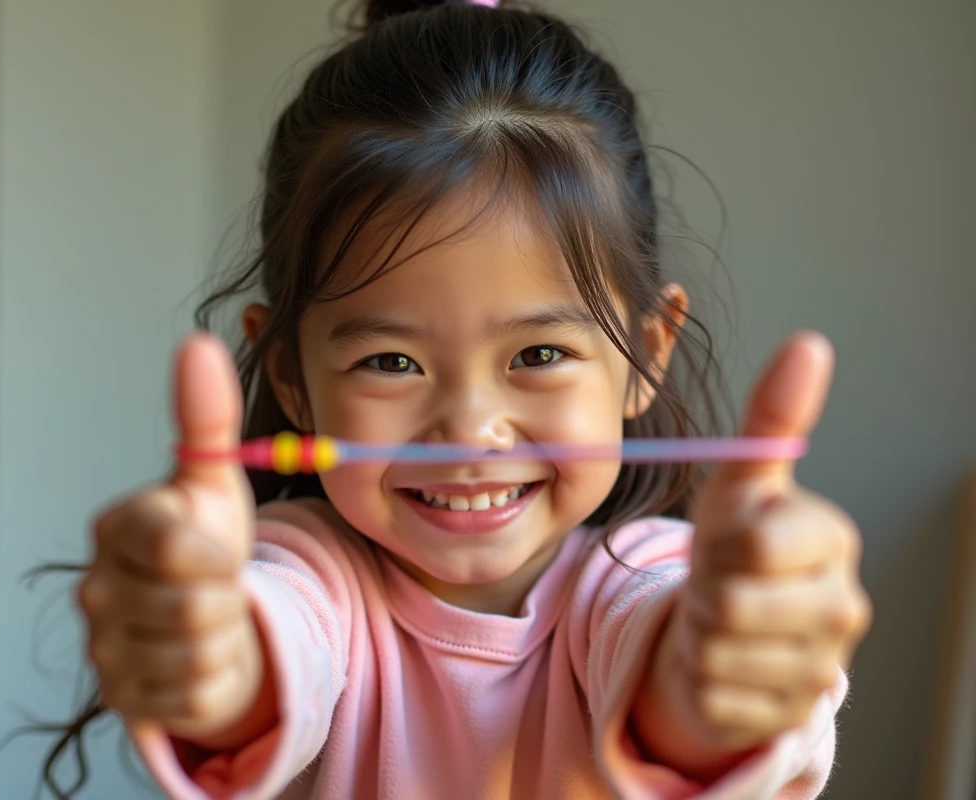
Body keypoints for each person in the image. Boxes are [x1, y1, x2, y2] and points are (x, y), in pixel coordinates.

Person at [73, 1, 871, 797]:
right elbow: (269, 649)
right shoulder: (306, 573)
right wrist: (214, 653)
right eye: (390, 361)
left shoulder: (649, 577)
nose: (469, 433)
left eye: (539, 354)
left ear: (645, 354)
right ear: (289, 373)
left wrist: (716, 675)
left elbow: (669, 672)